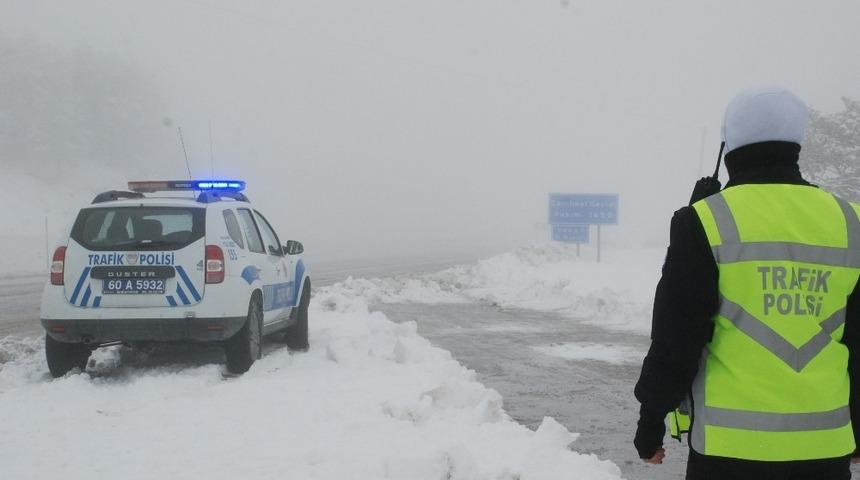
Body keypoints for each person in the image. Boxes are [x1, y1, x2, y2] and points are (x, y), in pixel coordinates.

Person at [633, 86, 860, 479]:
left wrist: (651, 422)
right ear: (796, 145)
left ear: (729, 147)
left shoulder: (705, 222)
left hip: (727, 452)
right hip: (825, 449)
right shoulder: (851, 223)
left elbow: (676, 338)